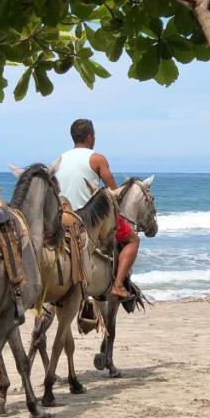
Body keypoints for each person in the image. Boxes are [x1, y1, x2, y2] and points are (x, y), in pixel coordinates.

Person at [55, 118, 137, 299]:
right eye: (95, 136)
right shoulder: (97, 158)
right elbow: (114, 193)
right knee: (133, 240)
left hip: (63, 217)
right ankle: (118, 285)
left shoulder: (60, 159)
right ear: (90, 137)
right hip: (88, 221)